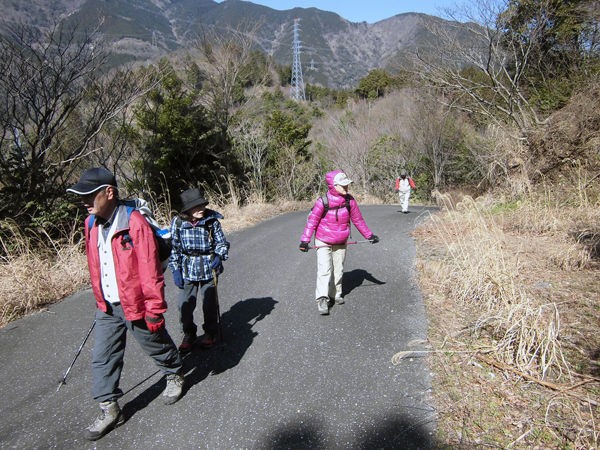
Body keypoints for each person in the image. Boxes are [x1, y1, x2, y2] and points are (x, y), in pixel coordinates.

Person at [66, 167, 184, 441]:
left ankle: (174, 372)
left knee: (154, 343)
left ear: (109, 192)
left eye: (89, 195)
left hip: (137, 303)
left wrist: (154, 309)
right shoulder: (90, 223)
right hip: (107, 305)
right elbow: (97, 263)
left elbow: (149, 269)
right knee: (103, 357)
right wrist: (100, 298)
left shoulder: (134, 223)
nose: (84, 201)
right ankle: (109, 408)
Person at [299, 170, 379, 315]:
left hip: (341, 240)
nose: (346, 188)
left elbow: (358, 220)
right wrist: (305, 240)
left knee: (338, 269)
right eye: (343, 185)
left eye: (347, 185)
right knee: (324, 269)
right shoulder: (322, 202)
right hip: (323, 240)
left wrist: (369, 235)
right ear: (333, 186)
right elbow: (312, 222)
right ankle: (322, 298)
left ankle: (335, 294)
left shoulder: (350, 201)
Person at [168, 188, 230, 353]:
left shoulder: (212, 221)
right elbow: (174, 248)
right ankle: (189, 334)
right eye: (196, 207)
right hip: (188, 268)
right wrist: (175, 269)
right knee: (184, 305)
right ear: (187, 210)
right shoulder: (178, 223)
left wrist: (219, 255)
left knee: (209, 304)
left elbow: (222, 243)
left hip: (209, 267)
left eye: (202, 205)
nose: (201, 209)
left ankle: (210, 332)